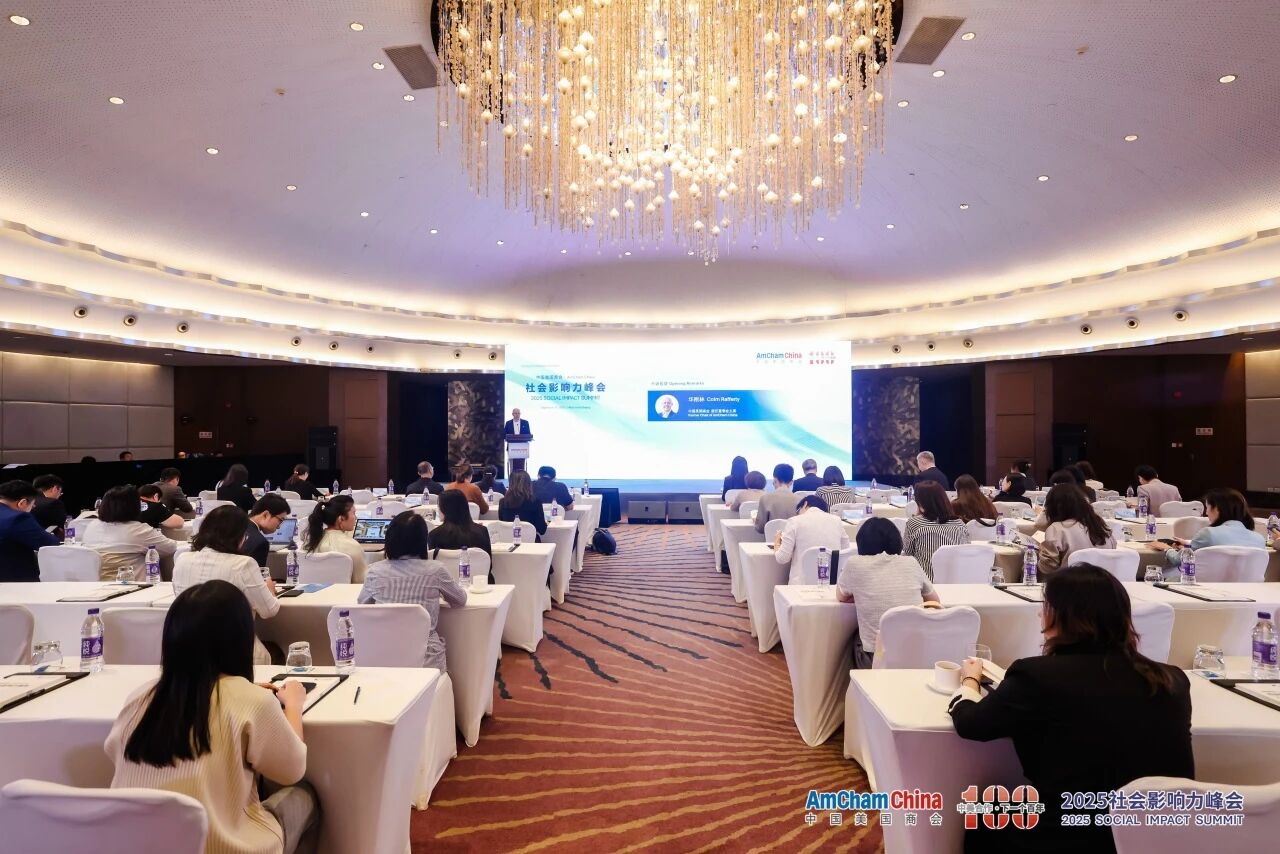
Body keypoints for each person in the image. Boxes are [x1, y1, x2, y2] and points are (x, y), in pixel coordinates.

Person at [948, 564, 1192, 852]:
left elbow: (971, 724)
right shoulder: (1172, 680)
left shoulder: (1035, 676)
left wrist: (970, 681)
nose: (1040, 615)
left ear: (1059, 616)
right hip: (1159, 838)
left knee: (982, 812)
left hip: (1066, 837)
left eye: (1045, 607)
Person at [104, 580, 317, 854]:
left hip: (136, 846)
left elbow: (113, 751)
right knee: (305, 796)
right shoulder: (251, 701)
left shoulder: (140, 697)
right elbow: (292, 769)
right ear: (240, 639)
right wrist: (293, 705)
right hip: (224, 848)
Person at [358, 512, 468, 669]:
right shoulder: (435, 570)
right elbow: (460, 600)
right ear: (422, 541)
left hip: (383, 657)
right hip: (426, 660)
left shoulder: (375, 571)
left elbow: (362, 606)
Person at [172, 506, 280, 664]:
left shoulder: (182, 559)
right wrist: (270, 591)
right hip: (234, 651)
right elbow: (269, 611)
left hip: (189, 648)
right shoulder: (243, 564)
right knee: (276, 650)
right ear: (240, 536)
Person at [836, 517, 940, 668]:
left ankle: (857, 681)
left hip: (875, 656)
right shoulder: (911, 562)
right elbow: (935, 601)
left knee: (853, 636)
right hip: (914, 653)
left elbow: (840, 596)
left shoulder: (855, 564)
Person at [80, 485, 177, 580]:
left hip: (95, 585)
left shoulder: (92, 526)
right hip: (134, 586)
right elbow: (170, 548)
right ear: (134, 507)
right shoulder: (138, 530)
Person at [1163, 488, 1265, 569]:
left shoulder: (1208, 534)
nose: (1206, 513)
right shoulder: (1259, 539)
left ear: (1216, 508)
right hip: (1246, 587)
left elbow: (1177, 560)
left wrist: (1167, 549)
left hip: (1204, 585)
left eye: (1207, 507)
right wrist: (1190, 544)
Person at [1037, 485, 1116, 576]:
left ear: (1052, 508)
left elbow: (1047, 567)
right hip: (1103, 580)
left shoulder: (1057, 529)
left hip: (1069, 581)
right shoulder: (1099, 525)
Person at [774, 495, 850, 584]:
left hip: (800, 585)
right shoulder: (837, 520)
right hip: (831, 583)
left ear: (805, 504)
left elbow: (782, 558)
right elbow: (845, 551)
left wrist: (777, 543)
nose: (798, 514)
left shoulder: (794, 521)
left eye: (798, 511)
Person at [901, 481, 969, 580]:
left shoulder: (914, 523)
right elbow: (966, 553)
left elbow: (908, 553)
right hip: (954, 582)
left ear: (920, 503)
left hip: (924, 582)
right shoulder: (959, 524)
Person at [429, 489, 494, 583]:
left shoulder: (434, 535)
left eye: (438, 506)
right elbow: (488, 565)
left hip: (445, 588)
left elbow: (432, 568)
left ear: (444, 509)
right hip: (479, 585)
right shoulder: (482, 531)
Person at [0, 480, 58, 582]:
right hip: (14, 583)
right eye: (33, 504)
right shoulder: (18, 518)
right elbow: (50, 544)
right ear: (22, 503)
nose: (33, 507)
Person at [302, 495, 369, 582]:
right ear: (341, 519)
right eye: (354, 513)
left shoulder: (310, 542)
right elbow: (361, 582)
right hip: (346, 591)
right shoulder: (353, 546)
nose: (356, 518)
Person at [242, 494, 292, 569]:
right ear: (266, 515)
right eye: (280, 520)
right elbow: (257, 575)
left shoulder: (235, 524)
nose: (279, 527)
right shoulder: (260, 543)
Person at [498, 470, 547, 540]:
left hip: (508, 541)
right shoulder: (535, 502)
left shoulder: (503, 502)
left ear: (510, 483)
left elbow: (503, 524)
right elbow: (542, 530)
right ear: (529, 483)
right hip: (531, 542)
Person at [753, 463, 798, 534]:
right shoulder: (800, 500)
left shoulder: (765, 498)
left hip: (771, 539)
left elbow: (760, 528)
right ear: (791, 482)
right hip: (793, 539)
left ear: (775, 480)